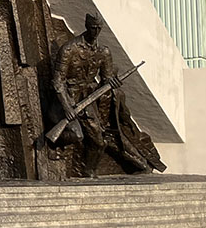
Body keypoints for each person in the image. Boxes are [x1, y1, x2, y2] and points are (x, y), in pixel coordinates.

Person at [52, 13, 165, 176]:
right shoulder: (69, 49)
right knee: (76, 135)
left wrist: (112, 83)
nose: (96, 31)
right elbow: (57, 82)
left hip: (87, 100)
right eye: (93, 28)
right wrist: (67, 107)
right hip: (67, 97)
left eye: (99, 28)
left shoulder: (104, 52)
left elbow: (106, 79)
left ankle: (88, 171)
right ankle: (55, 145)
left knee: (98, 140)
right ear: (86, 25)